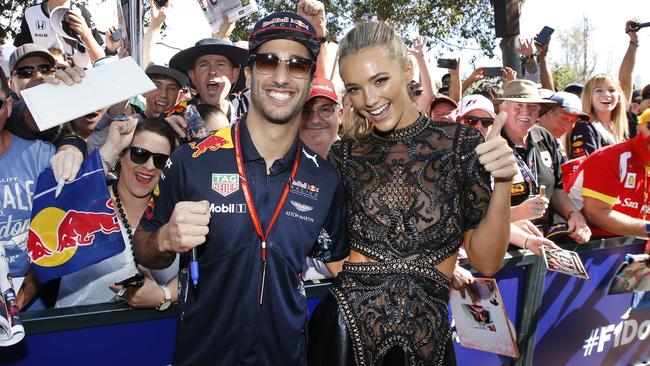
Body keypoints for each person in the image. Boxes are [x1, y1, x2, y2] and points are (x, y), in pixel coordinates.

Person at [133, 12, 349, 365]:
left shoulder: (325, 179)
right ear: (247, 75)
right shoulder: (191, 160)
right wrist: (165, 239)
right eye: (268, 61)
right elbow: (144, 247)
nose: (281, 76)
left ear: (310, 80)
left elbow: (343, 267)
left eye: (297, 65)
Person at [307, 21, 517, 365]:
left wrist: (504, 183)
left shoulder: (460, 145)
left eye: (380, 80)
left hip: (427, 337)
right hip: (346, 334)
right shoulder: (343, 156)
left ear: (407, 70)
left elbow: (486, 261)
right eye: (355, 89)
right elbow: (330, 249)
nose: (369, 99)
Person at [55, 118, 178, 308]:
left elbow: (205, 271)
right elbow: (61, 203)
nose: (149, 166)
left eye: (160, 160)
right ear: (121, 155)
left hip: (153, 332)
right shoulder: (88, 205)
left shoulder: (174, 215)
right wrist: (110, 147)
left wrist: (165, 294)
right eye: (139, 154)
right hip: (80, 330)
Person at [499, 80, 590, 243]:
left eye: (532, 106)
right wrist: (513, 217)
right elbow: (478, 208)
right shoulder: (488, 143)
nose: (525, 112)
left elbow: (557, 190)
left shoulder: (545, 137)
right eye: (518, 106)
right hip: (504, 245)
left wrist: (574, 214)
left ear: (539, 111)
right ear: (503, 108)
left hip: (544, 239)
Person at [0, 69, 55, 310]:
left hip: (34, 298)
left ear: (9, 106)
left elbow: (58, 235)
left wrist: (19, 299)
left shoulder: (42, 156)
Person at [568, 108, 650, 239]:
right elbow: (596, 214)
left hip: (627, 243)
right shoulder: (610, 158)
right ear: (639, 127)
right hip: (584, 245)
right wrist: (647, 230)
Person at [13, 0, 105, 68]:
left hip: (84, 78)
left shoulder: (81, 12)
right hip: (49, 81)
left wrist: (85, 33)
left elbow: (100, 59)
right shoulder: (31, 13)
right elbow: (22, 57)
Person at [568, 74, 628, 159]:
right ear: (589, 96)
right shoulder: (585, 127)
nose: (606, 94)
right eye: (599, 90)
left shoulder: (620, 129)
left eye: (612, 90)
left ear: (619, 97)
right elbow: (585, 167)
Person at [537, 91, 590, 156]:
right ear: (546, 112)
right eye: (564, 119)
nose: (567, 126)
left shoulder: (558, 144)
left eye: (573, 121)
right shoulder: (527, 140)